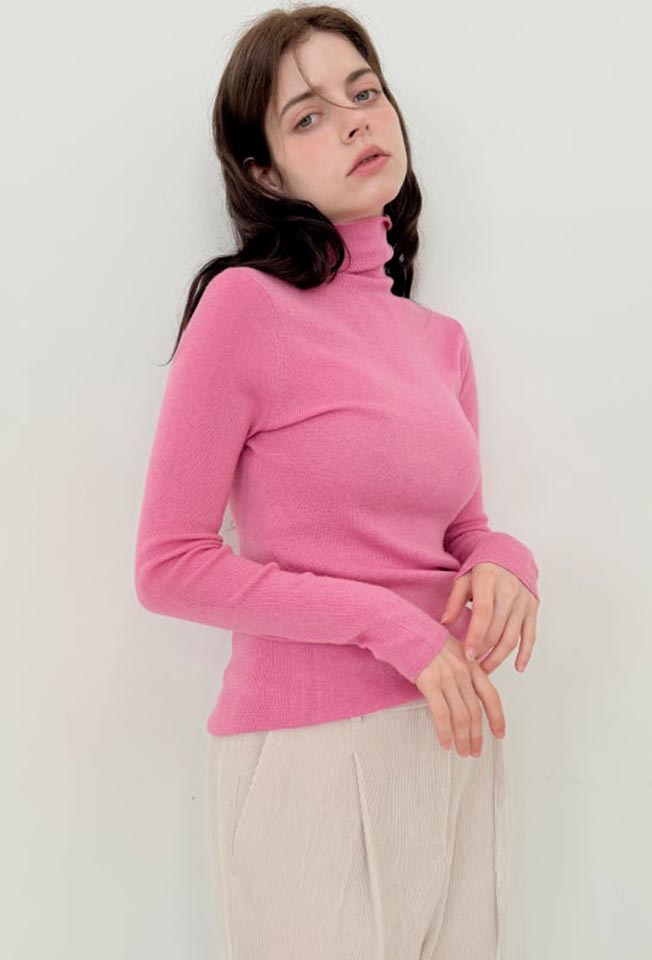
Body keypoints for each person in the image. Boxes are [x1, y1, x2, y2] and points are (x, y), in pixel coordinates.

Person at [134, 5, 541, 958]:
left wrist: (509, 561)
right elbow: (169, 565)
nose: (357, 120)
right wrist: (392, 626)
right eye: (309, 115)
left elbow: (463, 531)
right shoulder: (244, 307)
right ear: (265, 173)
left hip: (451, 739)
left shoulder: (439, 342)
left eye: (365, 93)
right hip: (312, 757)